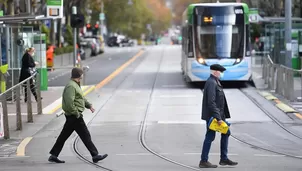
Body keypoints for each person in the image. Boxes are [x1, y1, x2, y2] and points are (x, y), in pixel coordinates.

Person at [48, 67, 108, 163]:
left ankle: (54, 155)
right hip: (74, 116)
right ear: (79, 75)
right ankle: (95, 155)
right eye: (81, 74)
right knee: (85, 135)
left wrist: (89, 106)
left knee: (64, 136)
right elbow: (69, 102)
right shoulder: (71, 86)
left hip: (73, 116)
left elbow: (80, 98)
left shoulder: (75, 85)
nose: (83, 76)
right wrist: (76, 113)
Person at [199, 64, 238, 168]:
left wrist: (222, 117)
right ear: (215, 72)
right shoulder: (211, 82)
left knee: (226, 133)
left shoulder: (215, 81)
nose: (221, 74)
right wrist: (218, 118)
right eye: (220, 72)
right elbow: (211, 102)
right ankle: (204, 161)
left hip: (218, 116)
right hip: (213, 117)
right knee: (210, 137)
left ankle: (224, 159)